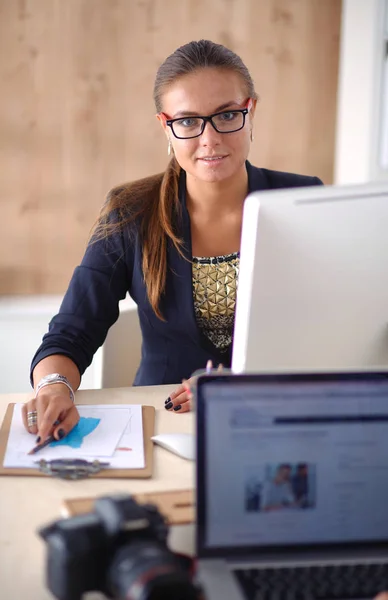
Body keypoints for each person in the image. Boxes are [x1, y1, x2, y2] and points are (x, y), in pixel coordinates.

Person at [22, 39, 323, 444]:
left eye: (227, 115)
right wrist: (54, 386)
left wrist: (233, 387)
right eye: (187, 121)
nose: (210, 139)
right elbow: (72, 331)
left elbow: (328, 330)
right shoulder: (130, 211)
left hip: (273, 420)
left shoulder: (303, 202)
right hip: (165, 428)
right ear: (165, 126)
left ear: (251, 112)